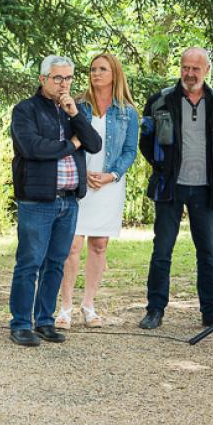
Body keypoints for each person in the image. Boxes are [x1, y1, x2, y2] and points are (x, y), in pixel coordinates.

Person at [139, 47, 213, 332]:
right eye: (185, 67)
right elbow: (146, 140)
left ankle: (211, 311)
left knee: (208, 252)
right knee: (162, 250)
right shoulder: (160, 101)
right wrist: (162, 165)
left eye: (195, 68)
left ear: (206, 70)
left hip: (205, 188)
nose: (189, 73)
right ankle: (155, 310)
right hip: (170, 187)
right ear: (180, 67)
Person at [9, 55, 102, 347]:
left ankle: (45, 321)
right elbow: (33, 148)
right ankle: (21, 324)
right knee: (29, 263)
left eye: (69, 78)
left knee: (56, 263)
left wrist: (75, 115)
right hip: (37, 201)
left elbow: (95, 143)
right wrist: (72, 144)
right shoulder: (25, 110)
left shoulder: (71, 111)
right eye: (58, 78)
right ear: (43, 79)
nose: (64, 84)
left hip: (68, 201)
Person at [56, 54, 139, 329]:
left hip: (109, 184)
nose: (95, 73)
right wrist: (82, 172)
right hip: (80, 181)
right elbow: (68, 141)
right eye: (92, 69)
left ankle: (88, 305)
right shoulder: (78, 105)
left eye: (102, 69)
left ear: (114, 73)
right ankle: (65, 307)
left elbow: (129, 151)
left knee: (99, 245)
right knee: (72, 245)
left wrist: (111, 175)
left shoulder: (127, 111)